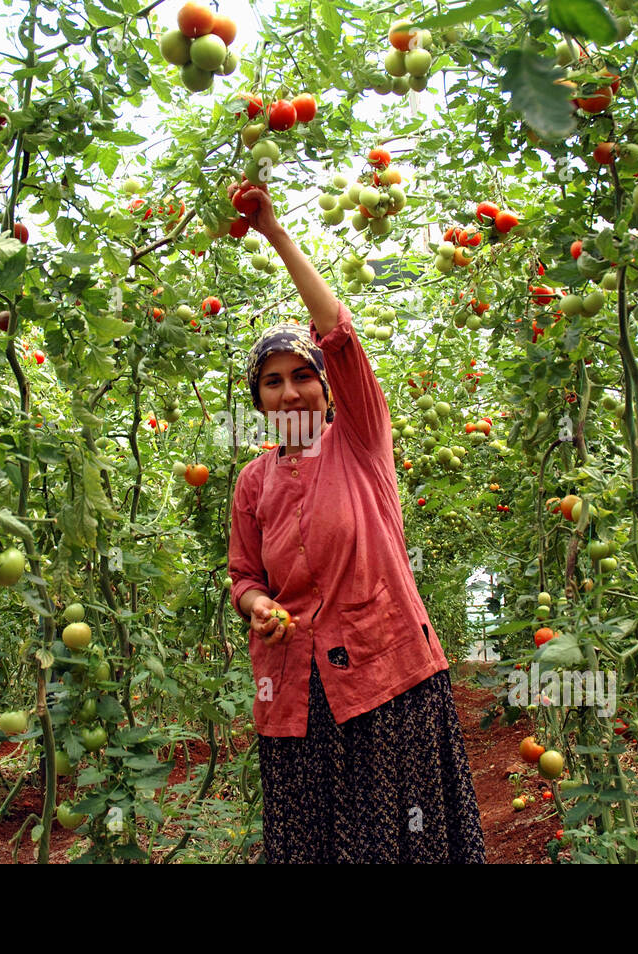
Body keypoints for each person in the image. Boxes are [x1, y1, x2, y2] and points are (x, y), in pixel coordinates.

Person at [226, 179, 487, 864]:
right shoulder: (252, 481)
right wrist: (257, 605)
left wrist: (276, 235)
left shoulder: (359, 439)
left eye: (301, 375)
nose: (290, 391)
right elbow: (244, 575)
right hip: (293, 692)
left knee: (402, 838)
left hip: (384, 676)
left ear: (323, 384)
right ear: (258, 398)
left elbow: (339, 337)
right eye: (272, 381)